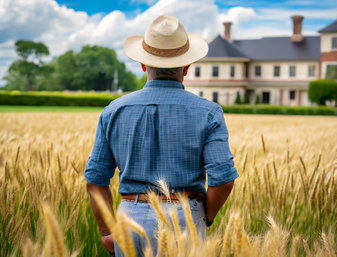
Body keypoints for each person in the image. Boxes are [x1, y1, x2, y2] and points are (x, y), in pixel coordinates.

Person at [84, 15, 238, 256]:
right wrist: (204, 216)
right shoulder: (209, 112)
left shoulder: (113, 111)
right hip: (185, 217)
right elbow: (224, 178)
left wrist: (106, 231)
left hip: (130, 220)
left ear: (143, 65)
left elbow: (95, 180)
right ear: (187, 68)